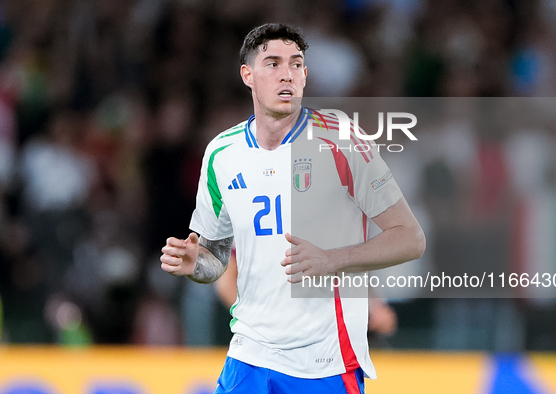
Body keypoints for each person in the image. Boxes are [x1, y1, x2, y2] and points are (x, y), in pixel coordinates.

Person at [160, 23, 425, 394]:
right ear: (247, 75)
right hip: (249, 356)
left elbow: (410, 238)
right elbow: (215, 259)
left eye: (296, 64)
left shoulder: (341, 140)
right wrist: (195, 264)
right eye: (273, 63)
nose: (287, 74)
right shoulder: (222, 153)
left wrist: (332, 259)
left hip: (325, 363)